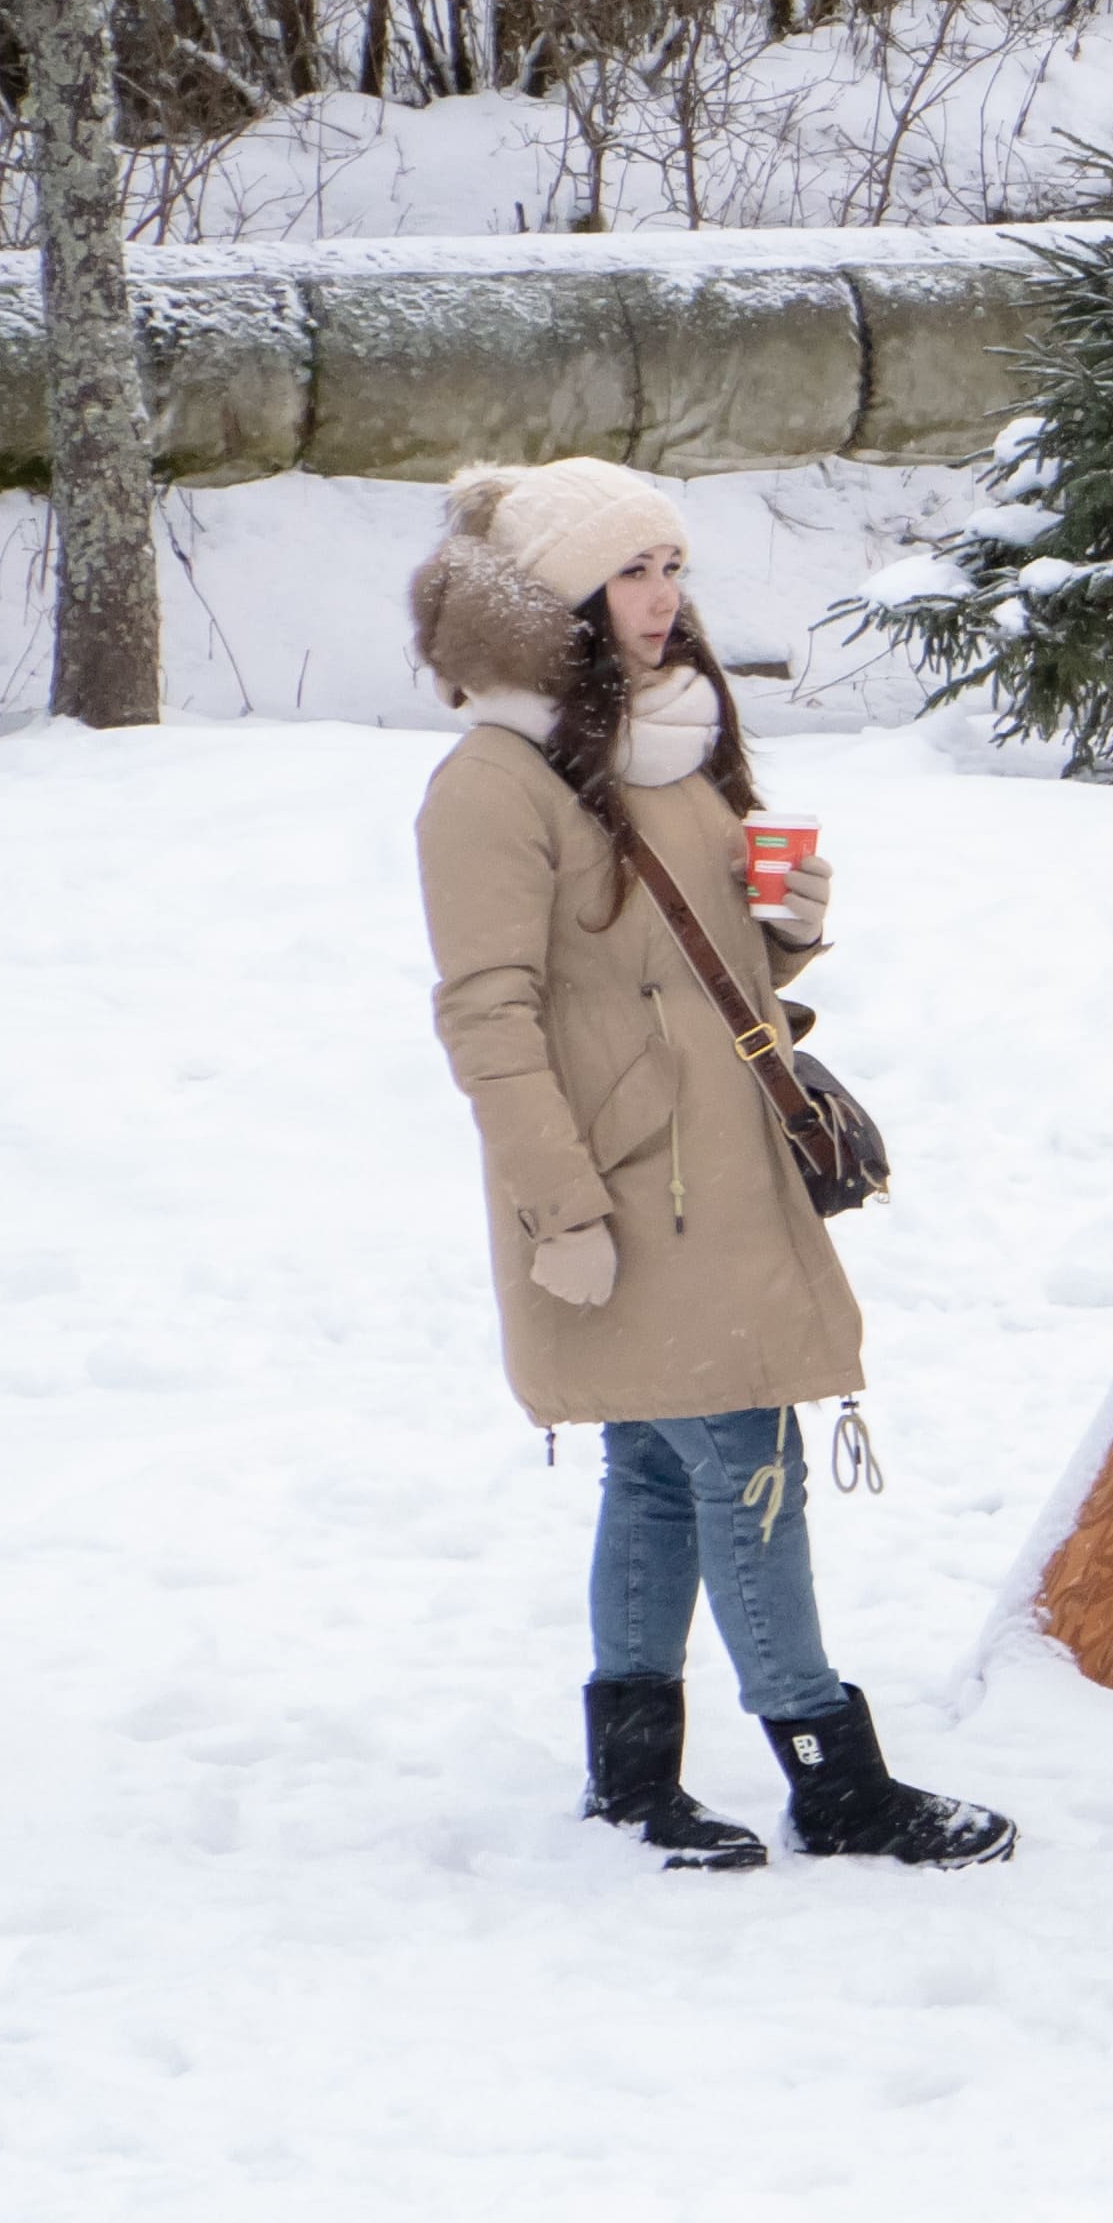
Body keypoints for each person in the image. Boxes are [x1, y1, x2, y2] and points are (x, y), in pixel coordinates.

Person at [411, 457, 1014, 1870]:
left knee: (657, 1470)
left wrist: (787, 929)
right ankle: (835, 1778)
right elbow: (488, 1017)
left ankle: (632, 1785)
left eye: (672, 564)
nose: (663, 595)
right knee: (749, 1461)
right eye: (631, 570)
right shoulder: (492, 784)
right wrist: (558, 1208)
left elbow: (697, 976)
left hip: (716, 1175)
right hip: (623, 1192)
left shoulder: (665, 751)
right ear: (553, 596)